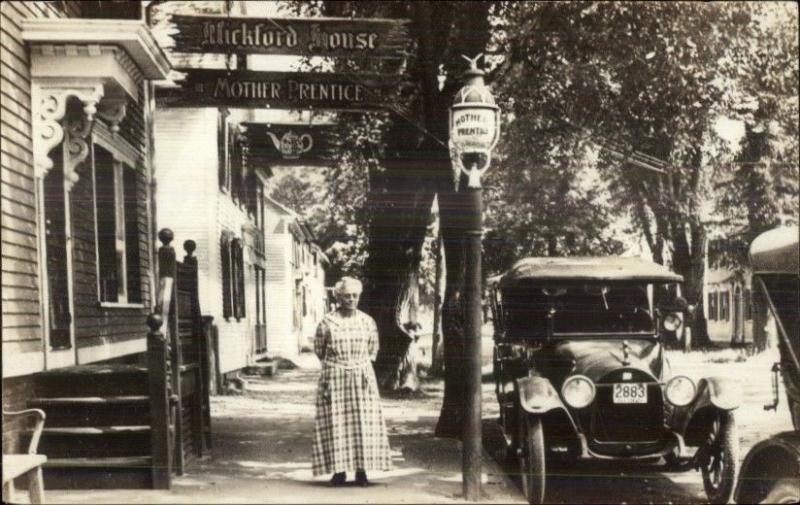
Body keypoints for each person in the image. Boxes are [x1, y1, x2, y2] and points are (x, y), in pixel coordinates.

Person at [311, 277, 392, 487]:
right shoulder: (327, 322)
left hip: (361, 377)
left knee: (363, 423)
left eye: (355, 296)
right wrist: (338, 366)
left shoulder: (367, 321)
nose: (351, 299)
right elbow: (319, 350)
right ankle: (339, 472)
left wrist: (358, 367)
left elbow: (373, 349)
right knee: (336, 422)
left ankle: (361, 472)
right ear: (338, 297)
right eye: (346, 296)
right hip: (335, 377)